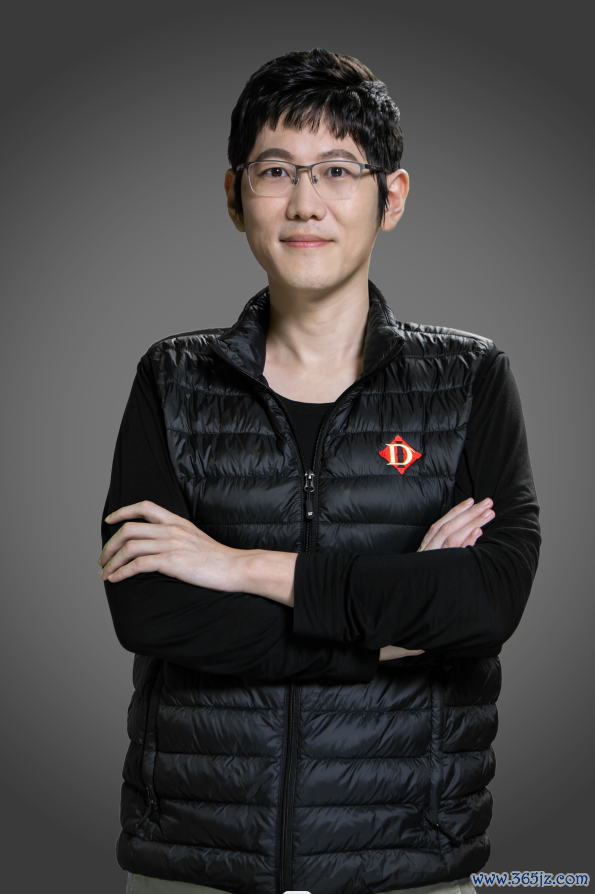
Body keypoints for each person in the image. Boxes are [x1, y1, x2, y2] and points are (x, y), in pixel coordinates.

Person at [98, 48, 541, 894]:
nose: (305, 202)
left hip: (408, 858)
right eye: (275, 170)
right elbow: (150, 609)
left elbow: (487, 601)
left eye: (338, 169)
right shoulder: (173, 378)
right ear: (234, 195)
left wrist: (238, 568)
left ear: (391, 197)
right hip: (194, 856)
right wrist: (391, 627)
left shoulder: (468, 379)